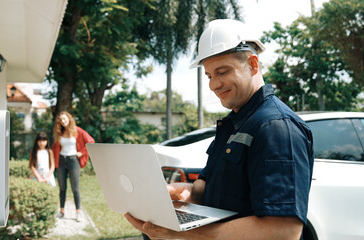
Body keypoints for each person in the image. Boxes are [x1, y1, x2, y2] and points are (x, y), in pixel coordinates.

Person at [125, 19, 314, 240]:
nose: (214, 84)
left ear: (253, 64)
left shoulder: (276, 128)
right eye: (209, 75)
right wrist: (180, 192)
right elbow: (208, 189)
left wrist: (185, 234)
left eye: (222, 72)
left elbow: (282, 231)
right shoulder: (233, 124)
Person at [52, 111, 95, 222]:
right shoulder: (60, 133)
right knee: (62, 188)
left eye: (64, 119)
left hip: (73, 161)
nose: (63, 121)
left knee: (75, 188)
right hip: (61, 161)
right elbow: (55, 148)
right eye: (61, 120)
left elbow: (91, 141)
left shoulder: (77, 131)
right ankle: (61, 211)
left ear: (69, 119)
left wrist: (82, 152)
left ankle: (78, 213)